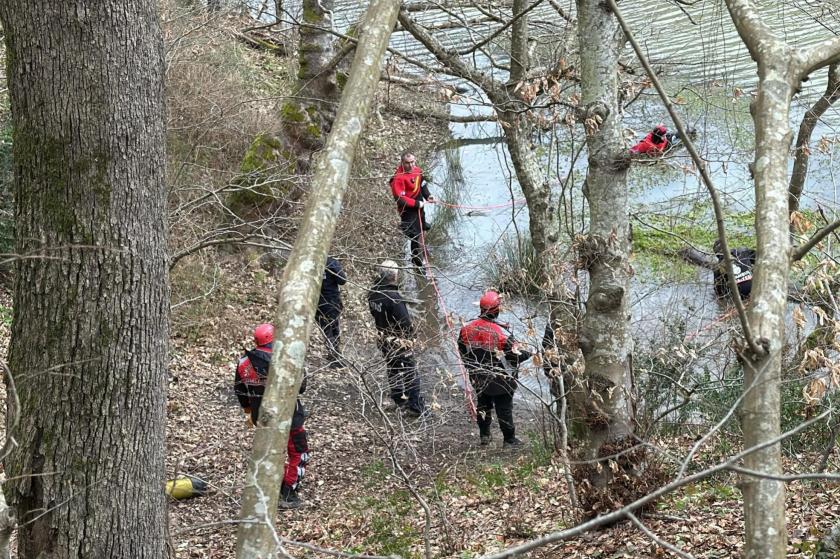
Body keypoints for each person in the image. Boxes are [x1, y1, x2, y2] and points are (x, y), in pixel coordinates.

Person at [233, 323, 310, 509]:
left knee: (270, 453)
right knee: (299, 453)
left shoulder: (244, 362)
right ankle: (288, 494)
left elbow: (240, 389)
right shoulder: (284, 358)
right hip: (288, 415)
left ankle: (267, 489)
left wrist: (248, 411)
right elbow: (301, 387)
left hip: (262, 415)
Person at [458, 290, 532, 447]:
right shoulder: (501, 333)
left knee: (483, 406)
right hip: (501, 381)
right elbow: (516, 355)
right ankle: (509, 440)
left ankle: (485, 436)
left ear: (481, 309)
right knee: (504, 409)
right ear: (496, 310)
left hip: (478, 377)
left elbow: (463, 352)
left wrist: (472, 371)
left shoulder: (466, 329)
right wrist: (531, 352)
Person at [367, 260, 426, 416]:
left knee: (393, 369)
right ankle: (414, 407)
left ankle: (399, 399)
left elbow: (374, 313)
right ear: (394, 276)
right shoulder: (394, 297)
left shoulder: (373, 292)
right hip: (399, 342)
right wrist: (412, 339)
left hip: (383, 338)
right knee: (410, 372)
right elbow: (405, 323)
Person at [390, 151, 434, 270]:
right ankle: (417, 261)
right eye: (407, 163)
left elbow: (422, 184)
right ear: (402, 162)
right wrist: (416, 203)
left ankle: (423, 248)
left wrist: (428, 196)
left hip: (419, 205)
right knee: (414, 235)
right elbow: (400, 199)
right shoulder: (398, 178)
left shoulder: (418, 170)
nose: (411, 165)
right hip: (407, 210)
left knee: (422, 226)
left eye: (412, 162)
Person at [317, 256, 347, 368]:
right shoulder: (331, 262)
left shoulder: (311, 261)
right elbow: (342, 280)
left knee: (327, 330)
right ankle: (334, 359)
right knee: (333, 329)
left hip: (317, 303)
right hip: (331, 302)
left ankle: (334, 354)